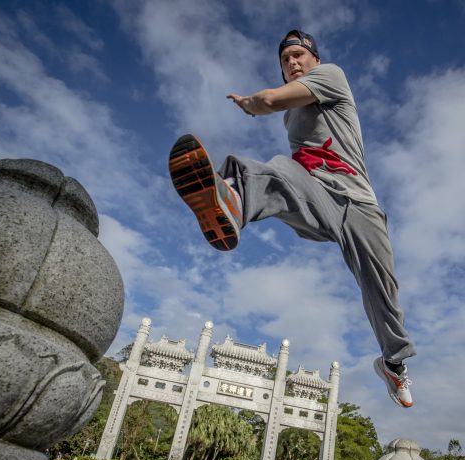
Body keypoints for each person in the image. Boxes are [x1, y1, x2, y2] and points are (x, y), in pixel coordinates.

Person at [168, 29, 416, 408]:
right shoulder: (291, 119)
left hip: (359, 203)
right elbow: (280, 118)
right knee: (279, 172)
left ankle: (393, 362)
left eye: (298, 56)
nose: (292, 64)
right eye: (285, 61)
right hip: (315, 195)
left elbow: (268, 100)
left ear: (314, 60)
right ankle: (231, 198)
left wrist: (253, 103)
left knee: (382, 290)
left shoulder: (331, 76)